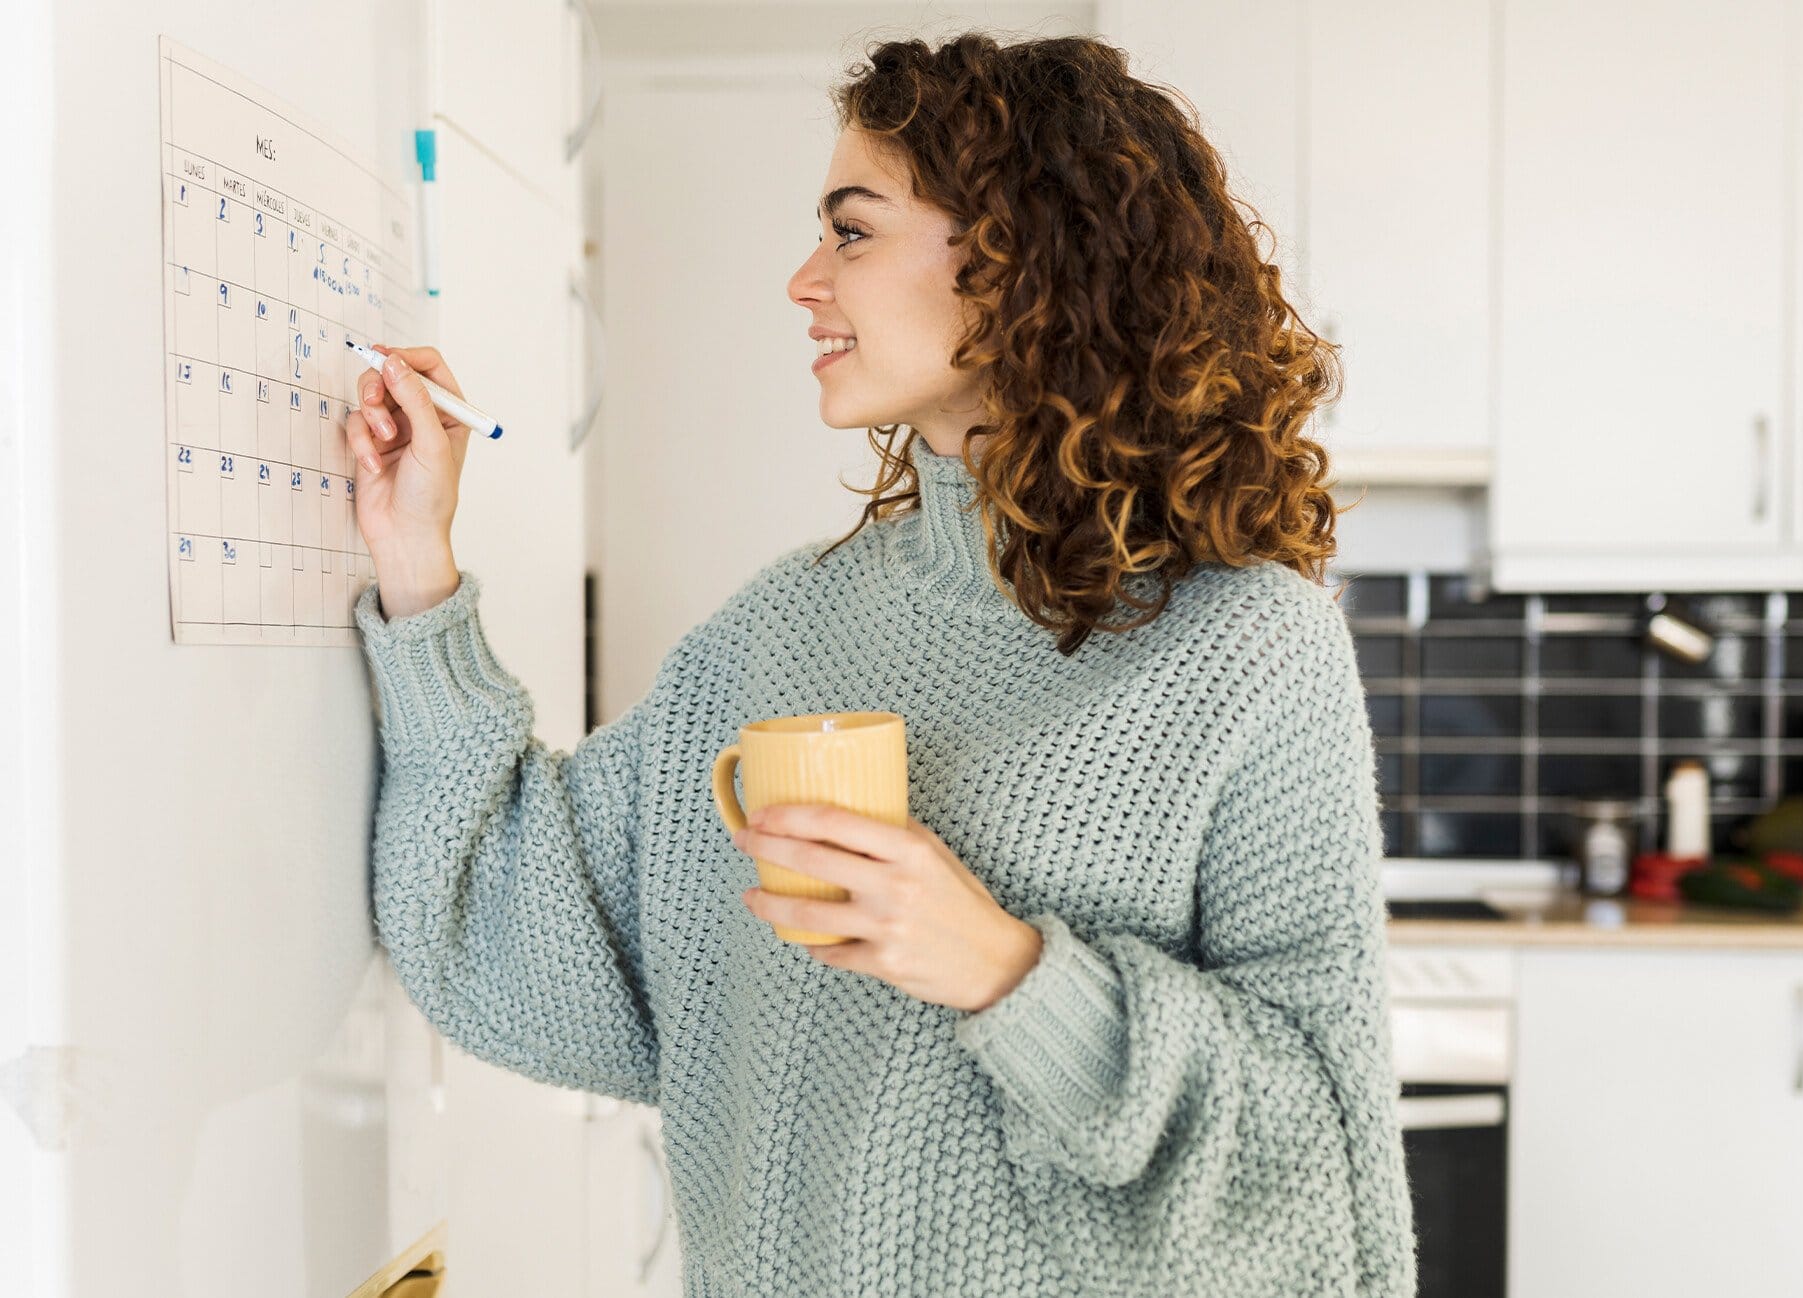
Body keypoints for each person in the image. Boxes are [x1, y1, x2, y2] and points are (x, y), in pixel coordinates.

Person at [345, 31, 1416, 1298]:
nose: (804, 279)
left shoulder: (1246, 647)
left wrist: (1007, 972)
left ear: (1029, 254)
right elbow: (507, 930)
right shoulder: (780, 631)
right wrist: (418, 565)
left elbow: (1319, 1157)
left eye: (852, 231)